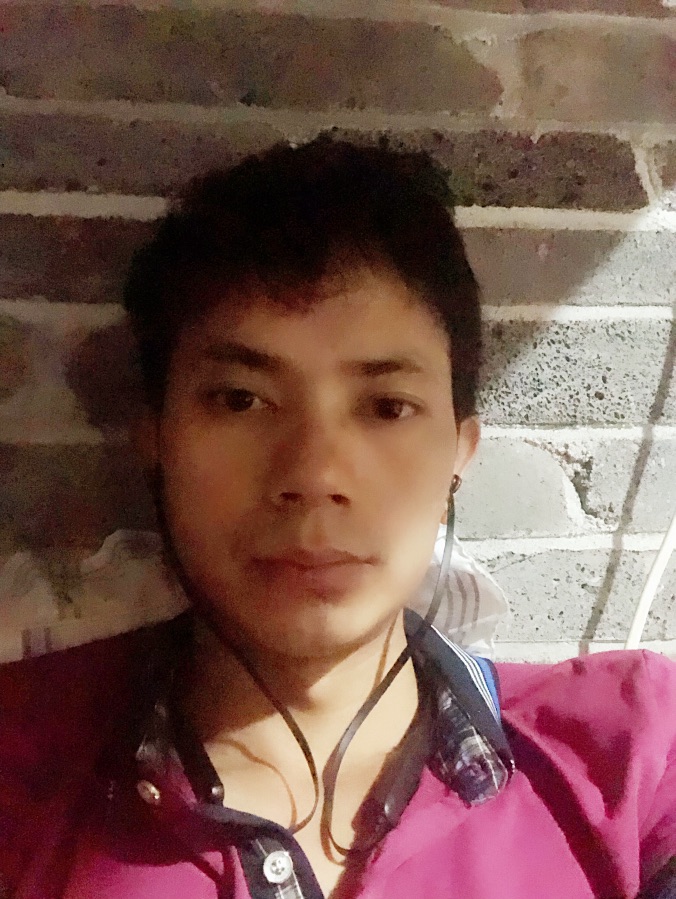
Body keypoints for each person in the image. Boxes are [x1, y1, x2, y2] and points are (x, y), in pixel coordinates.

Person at [1, 136, 675, 899]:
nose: (315, 475)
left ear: (459, 453)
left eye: (386, 406)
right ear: (154, 438)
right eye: (241, 400)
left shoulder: (630, 757)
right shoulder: (20, 769)